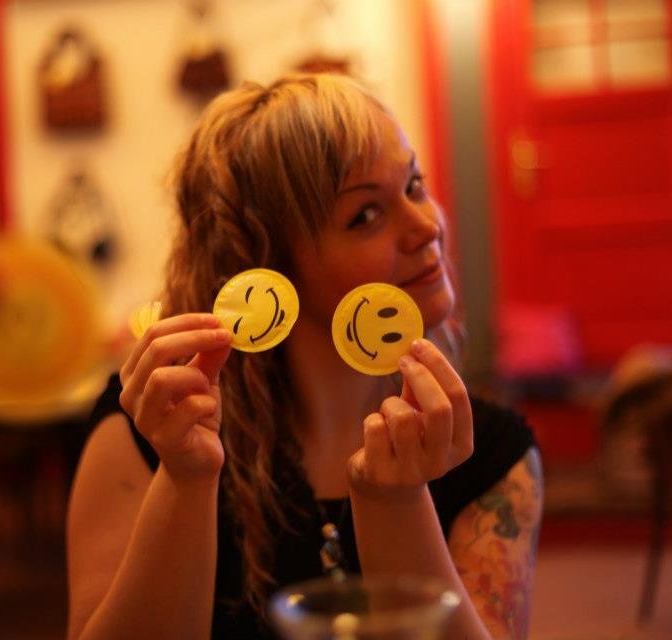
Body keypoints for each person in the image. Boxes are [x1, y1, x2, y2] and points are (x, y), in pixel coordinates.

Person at [66, 73, 543, 639]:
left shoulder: (493, 452)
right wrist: (186, 480)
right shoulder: (148, 430)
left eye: (414, 185)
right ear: (267, 265)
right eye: (366, 215)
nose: (427, 225)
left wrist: (395, 505)